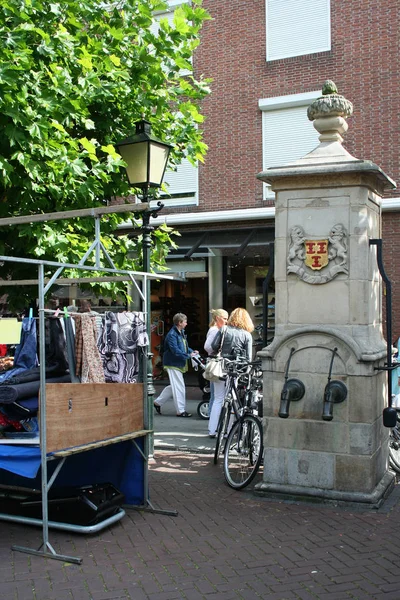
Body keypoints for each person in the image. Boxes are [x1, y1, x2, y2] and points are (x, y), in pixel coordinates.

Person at [208, 307, 254, 438]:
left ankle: (212, 430)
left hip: (221, 367)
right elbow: (248, 359)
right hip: (235, 370)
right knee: (232, 399)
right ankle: (228, 431)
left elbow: (214, 346)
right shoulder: (247, 335)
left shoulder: (223, 329)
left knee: (218, 398)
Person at [154, 313, 199, 417]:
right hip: (172, 363)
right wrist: (188, 355)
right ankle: (180, 410)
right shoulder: (172, 335)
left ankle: (157, 403)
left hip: (175, 362)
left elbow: (184, 347)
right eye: (185, 322)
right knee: (179, 387)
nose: (186, 324)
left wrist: (192, 351)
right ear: (180, 323)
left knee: (174, 385)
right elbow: (175, 351)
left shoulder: (180, 332)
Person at [204, 308, 229, 420]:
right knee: (216, 395)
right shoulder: (215, 330)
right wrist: (217, 350)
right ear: (218, 318)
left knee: (215, 394)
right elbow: (207, 346)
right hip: (215, 362)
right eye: (224, 318)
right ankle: (212, 418)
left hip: (214, 361)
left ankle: (212, 418)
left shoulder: (215, 329)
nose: (226, 321)